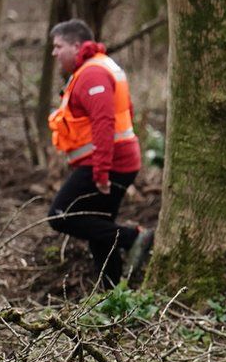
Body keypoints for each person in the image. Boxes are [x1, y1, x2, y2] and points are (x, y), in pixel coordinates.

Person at [46, 19, 153, 288]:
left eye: (58, 46)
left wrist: (101, 172)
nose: (54, 53)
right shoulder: (96, 68)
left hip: (110, 164)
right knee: (99, 227)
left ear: (76, 45)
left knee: (60, 215)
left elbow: (104, 123)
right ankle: (112, 291)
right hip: (113, 161)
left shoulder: (93, 74)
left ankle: (133, 238)